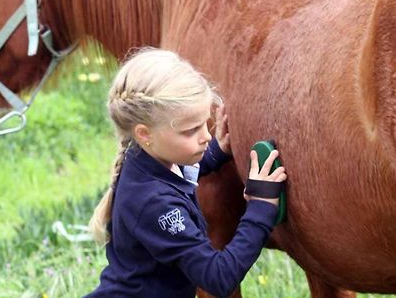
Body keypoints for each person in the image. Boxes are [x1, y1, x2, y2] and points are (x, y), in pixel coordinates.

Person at [84, 48, 286, 298]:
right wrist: (261, 208)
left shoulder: (145, 158)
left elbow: (179, 176)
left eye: (204, 123)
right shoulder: (154, 204)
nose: (206, 136)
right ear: (145, 134)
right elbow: (218, 277)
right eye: (190, 131)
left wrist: (214, 153)